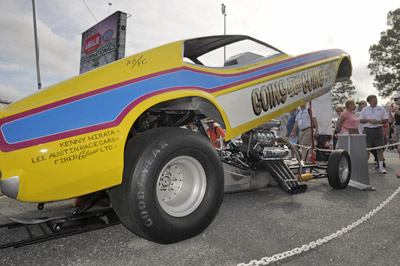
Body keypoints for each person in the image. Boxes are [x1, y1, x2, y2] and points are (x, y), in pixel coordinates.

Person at [359, 95, 389, 174]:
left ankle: (381, 167)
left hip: (378, 130)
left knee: (379, 149)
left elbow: (386, 119)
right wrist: (369, 120)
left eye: (376, 100)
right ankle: (364, 167)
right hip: (367, 130)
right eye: (373, 100)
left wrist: (378, 122)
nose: (375, 101)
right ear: (369, 102)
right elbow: (361, 120)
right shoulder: (365, 110)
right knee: (367, 149)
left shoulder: (381, 108)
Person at [388, 93, 400, 178]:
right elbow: (391, 120)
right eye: (394, 99)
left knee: (399, 148)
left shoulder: (397, 109)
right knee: (399, 150)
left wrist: (396, 111)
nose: (395, 101)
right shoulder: (397, 108)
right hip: (397, 128)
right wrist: (390, 111)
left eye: (397, 99)